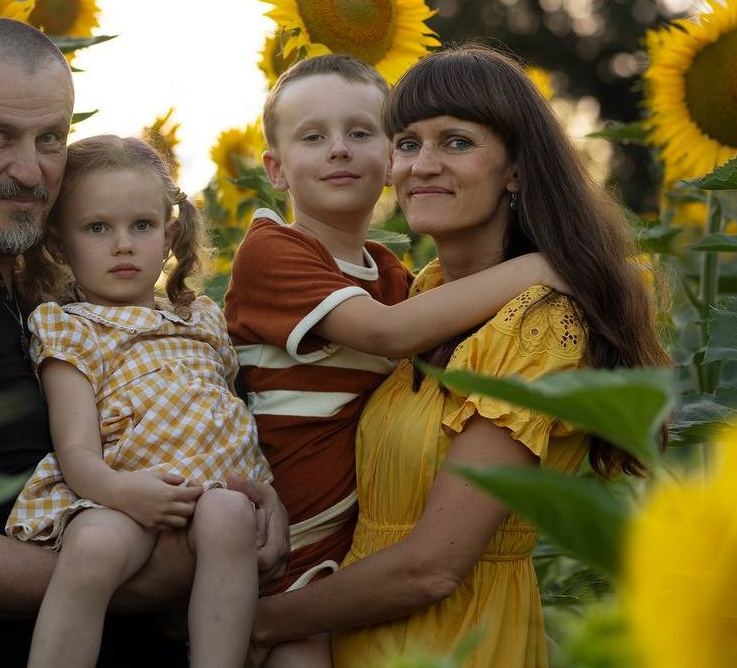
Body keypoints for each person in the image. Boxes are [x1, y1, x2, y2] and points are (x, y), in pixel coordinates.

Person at [0, 16, 288, 668]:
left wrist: (252, 509)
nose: (30, 170)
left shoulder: (62, 293)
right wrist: (134, 582)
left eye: (51, 138)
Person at [248, 43, 669, 667]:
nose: (422, 165)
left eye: (457, 142)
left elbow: (433, 568)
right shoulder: (420, 295)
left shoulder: (539, 323)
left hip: (455, 646)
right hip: (352, 638)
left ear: (517, 170)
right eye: (409, 143)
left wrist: (245, 623)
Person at [7, 134, 273, 668]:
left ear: (170, 233)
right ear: (59, 244)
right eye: (98, 227)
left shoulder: (200, 316)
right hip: (122, 491)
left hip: (216, 486)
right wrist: (128, 494)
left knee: (230, 517)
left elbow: (229, 415)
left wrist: (271, 498)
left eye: (142, 226)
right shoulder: (70, 327)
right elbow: (77, 452)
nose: (123, 244)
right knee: (92, 549)